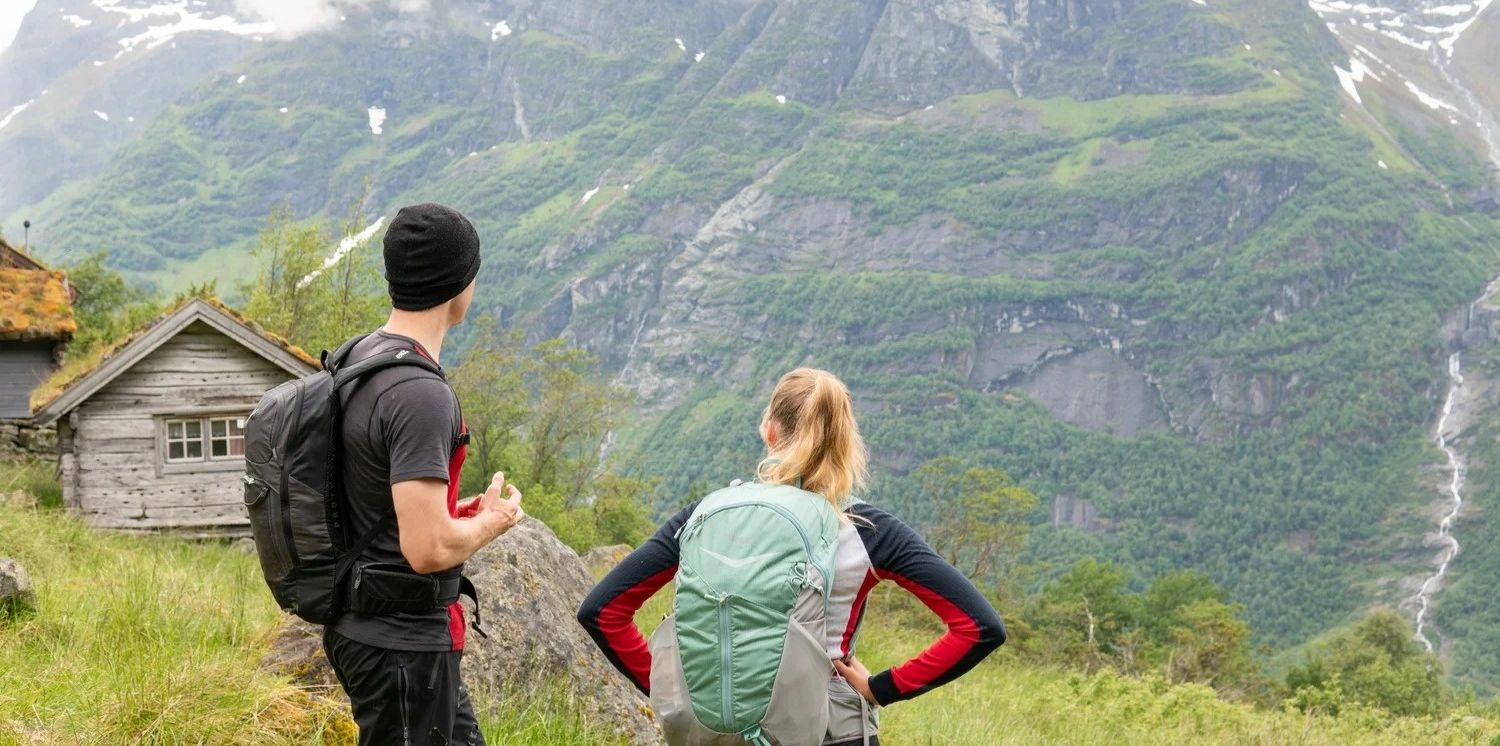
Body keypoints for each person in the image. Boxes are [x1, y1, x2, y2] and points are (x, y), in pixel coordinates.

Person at [578, 368, 1005, 745]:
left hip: (716, 729)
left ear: (769, 431)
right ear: (846, 443)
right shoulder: (868, 532)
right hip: (831, 729)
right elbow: (979, 627)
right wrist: (883, 688)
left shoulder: (704, 515)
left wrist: (669, 687)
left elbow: (603, 611)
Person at [325, 203, 524, 746]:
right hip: (403, 644)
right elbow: (429, 550)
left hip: (367, 625)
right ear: (461, 283)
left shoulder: (361, 358)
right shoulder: (421, 394)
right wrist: (496, 521)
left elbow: (376, 497)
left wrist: (455, 515)